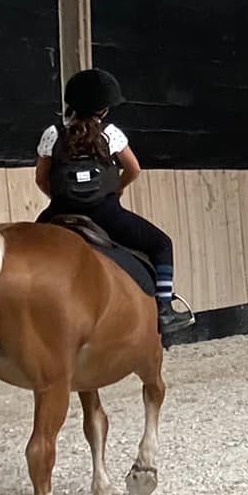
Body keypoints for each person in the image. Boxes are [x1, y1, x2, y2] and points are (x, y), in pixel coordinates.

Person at [35, 67, 195, 337]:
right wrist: (115, 191)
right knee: (161, 243)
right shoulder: (111, 133)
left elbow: (41, 179)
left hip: (59, 212)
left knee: (29, 249)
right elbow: (134, 169)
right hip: (104, 213)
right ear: (105, 109)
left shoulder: (52, 133)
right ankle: (164, 310)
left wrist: (60, 200)